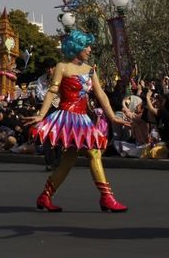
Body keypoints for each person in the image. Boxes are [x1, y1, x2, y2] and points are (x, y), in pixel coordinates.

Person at [25, 30, 131, 213]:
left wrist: (113, 116)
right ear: (76, 47)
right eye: (86, 46)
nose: (89, 49)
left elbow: (100, 94)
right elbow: (52, 91)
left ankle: (45, 196)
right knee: (94, 153)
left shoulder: (90, 70)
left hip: (83, 119)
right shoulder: (62, 67)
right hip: (67, 117)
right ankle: (106, 197)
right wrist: (42, 115)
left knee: (68, 160)